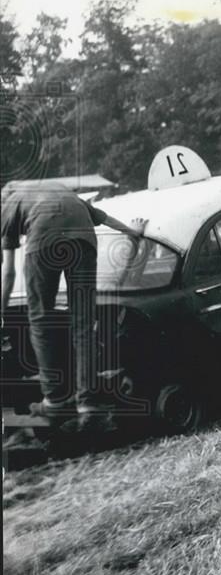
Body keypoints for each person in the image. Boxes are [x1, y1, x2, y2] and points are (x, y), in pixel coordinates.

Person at [1, 181, 147, 429]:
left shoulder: (8, 204)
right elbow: (106, 219)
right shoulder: (58, 191)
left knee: (40, 320)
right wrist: (132, 232)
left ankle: (54, 401)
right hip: (84, 239)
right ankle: (88, 404)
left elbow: (8, 273)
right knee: (83, 324)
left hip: (43, 240)